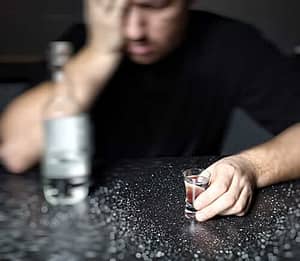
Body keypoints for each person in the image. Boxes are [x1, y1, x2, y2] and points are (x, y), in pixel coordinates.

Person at [1, 0, 300, 222]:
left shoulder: (230, 43)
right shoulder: (80, 43)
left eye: (155, 7)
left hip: (188, 219)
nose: (133, 31)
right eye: (117, 8)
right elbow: (15, 151)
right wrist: (100, 52)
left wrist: (250, 166)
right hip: (76, 218)